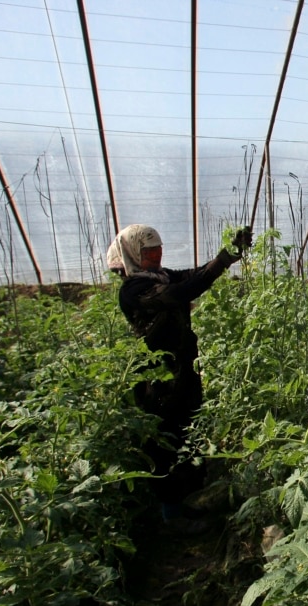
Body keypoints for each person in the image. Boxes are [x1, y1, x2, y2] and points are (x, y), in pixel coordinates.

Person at [106, 223, 251, 531]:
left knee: (190, 430)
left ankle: (193, 503)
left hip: (182, 370)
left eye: (158, 251)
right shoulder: (133, 290)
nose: (157, 256)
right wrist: (223, 261)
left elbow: (192, 276)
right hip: (157, 379)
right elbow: (181, 291)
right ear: (132, 254)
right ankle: (171, 516)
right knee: (165, 440)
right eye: (149, 252)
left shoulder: (161, 275)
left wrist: (229, 253)